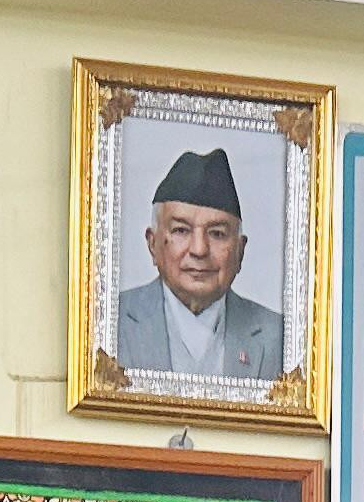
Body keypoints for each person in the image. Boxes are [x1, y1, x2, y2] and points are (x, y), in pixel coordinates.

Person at [112, 143, 283, 383]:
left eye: (217, 233)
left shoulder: (279, 337)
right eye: (181, 230)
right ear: (153, 244)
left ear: (240, 251)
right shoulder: (111, 321)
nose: (199, 250)